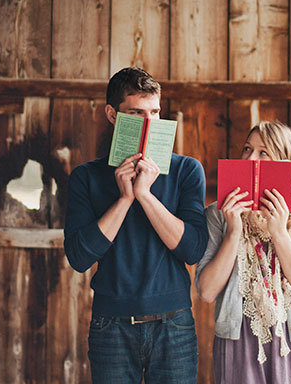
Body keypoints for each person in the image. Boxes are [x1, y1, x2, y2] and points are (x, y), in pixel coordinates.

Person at [64, 67, 208, 384]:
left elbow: (193, 249)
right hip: (110, 324)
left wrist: (144, 195)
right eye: (136, 113)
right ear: (112, 115)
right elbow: (79, 258)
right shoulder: (86, 177)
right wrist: (125, 199)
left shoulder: (187, 170)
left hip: (174, 323)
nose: (148, 122)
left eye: (154, 112)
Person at [196, 121, 291, 383]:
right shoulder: (217, 214)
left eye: (263, 152)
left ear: (285, 162)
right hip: (237, 343)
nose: (250, 158)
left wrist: (279, 231)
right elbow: (207, 291)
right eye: (246, 149)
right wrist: (233, 231)